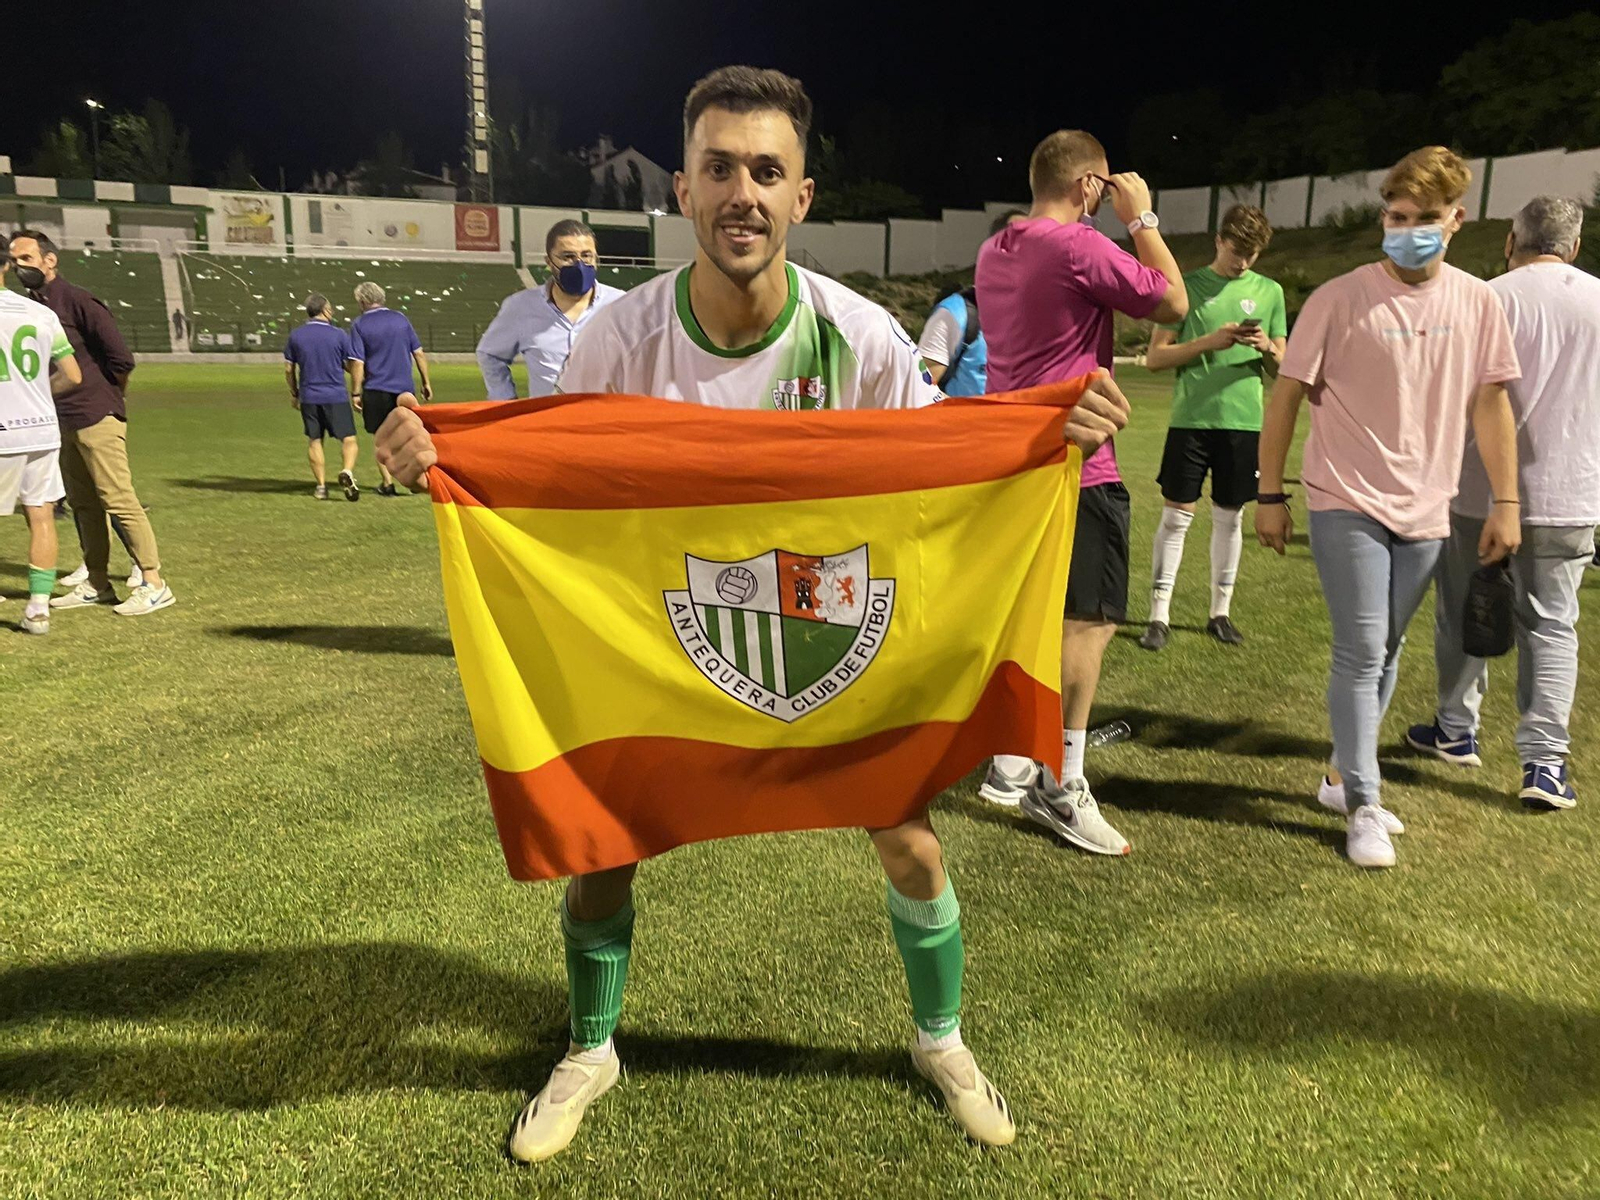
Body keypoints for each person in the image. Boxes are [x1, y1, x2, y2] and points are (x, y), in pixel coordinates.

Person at [377, 65, 1130, 1163]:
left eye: (766, 171)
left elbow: (941, 479)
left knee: (910, 838)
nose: (743, 192)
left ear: (802, 198)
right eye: (719, 168)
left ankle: (940, 1040)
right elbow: (553, 492)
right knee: (602, 839)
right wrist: (435, 458)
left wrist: (1044, 434)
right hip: (676, 647)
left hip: (831, 641)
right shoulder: (617, 342)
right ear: (681, 191)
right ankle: (591, 1049)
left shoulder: (864, 338)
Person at [1255, 146, 1522, 869]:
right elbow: (1286, 396)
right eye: (1395, 216)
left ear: (1456, 219)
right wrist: (1271, 492)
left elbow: (1491, 402)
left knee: (1389, 652)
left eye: (1423, 218)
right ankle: (1366, 803)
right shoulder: (1340, 299)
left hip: (1428, 508)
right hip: (1346, 499)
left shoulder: (1479, 302)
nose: (1405, 229)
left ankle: (1341, 779)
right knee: (1362, 648)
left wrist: (1506, 501)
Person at [973, 129, 1188, 853]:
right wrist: (1143, 219)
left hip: (1015, 463)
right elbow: (1173, 303)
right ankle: (1059, 783)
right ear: (1089, 186)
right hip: (1078, 462)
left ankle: (1011, 755)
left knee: (1032, 616)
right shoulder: (1080, 246)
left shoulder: (996, 248)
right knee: (1088, 623)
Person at [1406, 196, 1600, 811]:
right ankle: (1543, 765)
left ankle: (1456, 730)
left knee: (1463, 609)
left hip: (1476, 489)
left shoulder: (1485, 297)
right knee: (1551, 625)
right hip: (1570, 492)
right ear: (1571, 246)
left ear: (1512, 239)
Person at [1140, 205, 1287, 651]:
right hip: (1192, 420)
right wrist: (1210, 341)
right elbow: (1154, 358)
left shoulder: (1271, 292)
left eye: (1252, 253)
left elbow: (1284, 369)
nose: (1243, 261)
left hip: (1243, 423)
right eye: (1236, 250)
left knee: (1230, 518)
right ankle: (1158, 617)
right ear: (1218, 241)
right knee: (1176, 517)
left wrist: (1267, 347)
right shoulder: (1185, 289)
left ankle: (1219, 613)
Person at [10, 230, 177, 616]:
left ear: (50, 260)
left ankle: (154, 582)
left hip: (95, 414)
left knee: (119, 499)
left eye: (27, 259)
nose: (20, 268)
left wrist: (107, 400)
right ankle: (97, 582)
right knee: (83, 504)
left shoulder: (78, 300)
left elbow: (121, 359)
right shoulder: (35, 305)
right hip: (61, 418)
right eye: (15, 261)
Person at [0, 233, 82, 634]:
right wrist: (33, 393)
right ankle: (37, 609)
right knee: (41, 515)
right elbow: (73, 374)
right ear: (7, 266)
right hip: (40, 430)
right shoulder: (39, 313)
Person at [475, 220, 625, 399]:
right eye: (567, 257)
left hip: (604, 421)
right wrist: (504, 400)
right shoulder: (521, 307)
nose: (579, 264)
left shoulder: (621, 304)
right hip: (548, 422)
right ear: (549, 261)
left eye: (586, 256)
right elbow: (490, 354)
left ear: (596, 259)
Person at [350, 282, 431, 496]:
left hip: (376, 388)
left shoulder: (359, 324)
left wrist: (356, 392)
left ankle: (387, 484)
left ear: (363, 301)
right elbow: (419, 352)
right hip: (404, 389)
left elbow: (358, 362)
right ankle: (416, 480)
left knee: (381, 438)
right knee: (409, 435)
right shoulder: (401, 319)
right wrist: (426, 382)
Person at [284, 293, 360, 501]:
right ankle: (347, 470)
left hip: (309, 396)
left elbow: (289, 369)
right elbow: (350, 364)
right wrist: (357, 388)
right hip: (335, 395)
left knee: (315, 440)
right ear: (325, 310)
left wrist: (294, 393)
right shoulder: (339, 335)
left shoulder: (296, 336)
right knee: (349, 439)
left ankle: (320, 486)